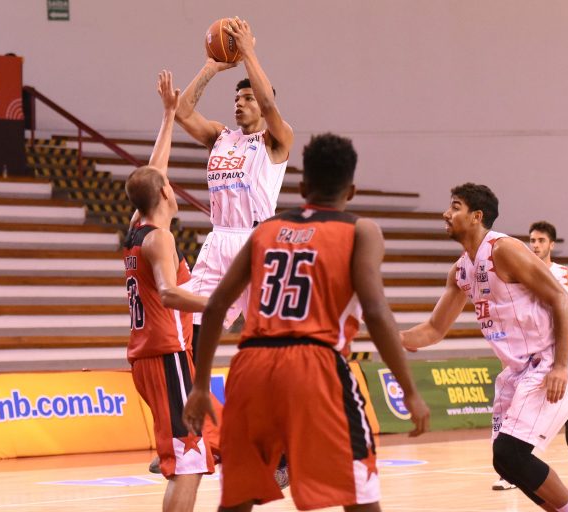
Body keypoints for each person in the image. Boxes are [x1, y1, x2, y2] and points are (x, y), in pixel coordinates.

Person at [184, 133, 430, 511]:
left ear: (302, 187)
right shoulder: (360, 230)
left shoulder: (265, 229)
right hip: (315, 363)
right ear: (351, 191)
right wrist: (409, 390)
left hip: (251, 366)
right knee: (359, 496)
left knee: (237, 500)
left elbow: (216, 306)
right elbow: (376, 311)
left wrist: (201, 385)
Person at [401, 184, 568, 511]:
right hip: (521, 367)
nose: (446, 214)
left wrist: (560, 365)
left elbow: (561, 298)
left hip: (552, 355)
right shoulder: (461, 270)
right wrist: (385, 338)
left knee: (510, 453)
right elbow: (433, 330)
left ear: (476, 216)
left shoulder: (503, 250)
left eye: (455, 207)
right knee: (505, 463)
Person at [123, 70, 218, 512]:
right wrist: (219, 303)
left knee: (195, 453)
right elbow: (169, 294)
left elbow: (152, 174)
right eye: (170, 185)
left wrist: (168, 115)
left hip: (147, 357)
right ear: (165, 194)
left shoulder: (137, 228)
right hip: (167, 355)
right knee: (189, 461)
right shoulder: (159, 239)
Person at [175, 17, 294, 353]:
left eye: (248, 98)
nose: (240, 103)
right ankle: (195, 384)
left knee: (268, 337)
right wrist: (211, 67)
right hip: (219, 238)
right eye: (237, 98)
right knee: (194, 329)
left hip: (256, 240)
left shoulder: (276, 139)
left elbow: (269, 103)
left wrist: (248, 52)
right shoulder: (220, 136)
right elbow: (181, 112)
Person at [492, 221, 568, 493]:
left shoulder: (565, 274)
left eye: (541, 240)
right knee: (516, 411)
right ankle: (509, 471)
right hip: (532, 353)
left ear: (552, 244)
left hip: (565, 351)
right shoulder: (521, 272)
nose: (535, 245)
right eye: (532, 240)